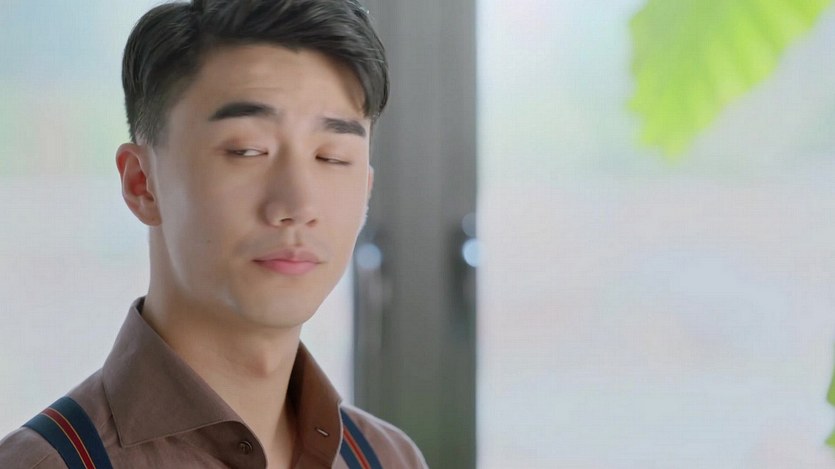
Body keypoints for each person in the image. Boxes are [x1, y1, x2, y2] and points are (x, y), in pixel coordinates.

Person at [0, 0, 428, 467]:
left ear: (366, 189)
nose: (297, 206)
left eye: (332, 157)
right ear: (142, 183)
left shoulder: (388, 457)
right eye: (247, 151)